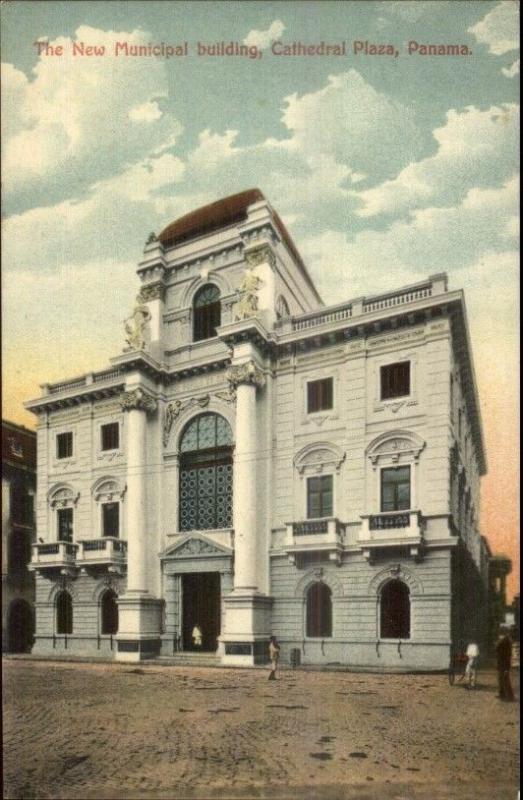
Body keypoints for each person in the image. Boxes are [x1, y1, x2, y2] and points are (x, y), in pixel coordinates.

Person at [495, 630, 514, 701]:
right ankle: (502, 694)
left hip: (503, 663)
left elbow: (496, 648)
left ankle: (509, 696)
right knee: (501, 679)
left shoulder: (504, 641)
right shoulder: (506, 640)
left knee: (505, 680)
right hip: (502, 663)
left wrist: (507, 667)